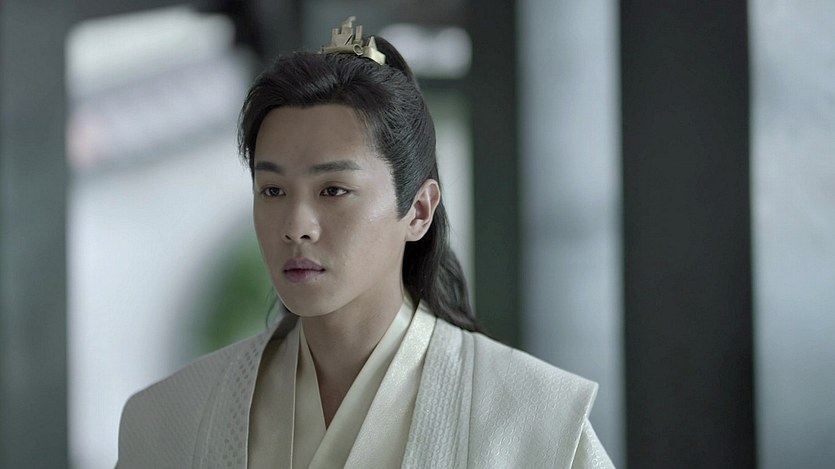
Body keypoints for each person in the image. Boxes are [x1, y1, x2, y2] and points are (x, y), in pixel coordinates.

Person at [116, 17, 614, 469]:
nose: (296, 226)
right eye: (273, 191)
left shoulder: (535, 421)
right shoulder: (171, 420)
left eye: (333, 190)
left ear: (418, 211)